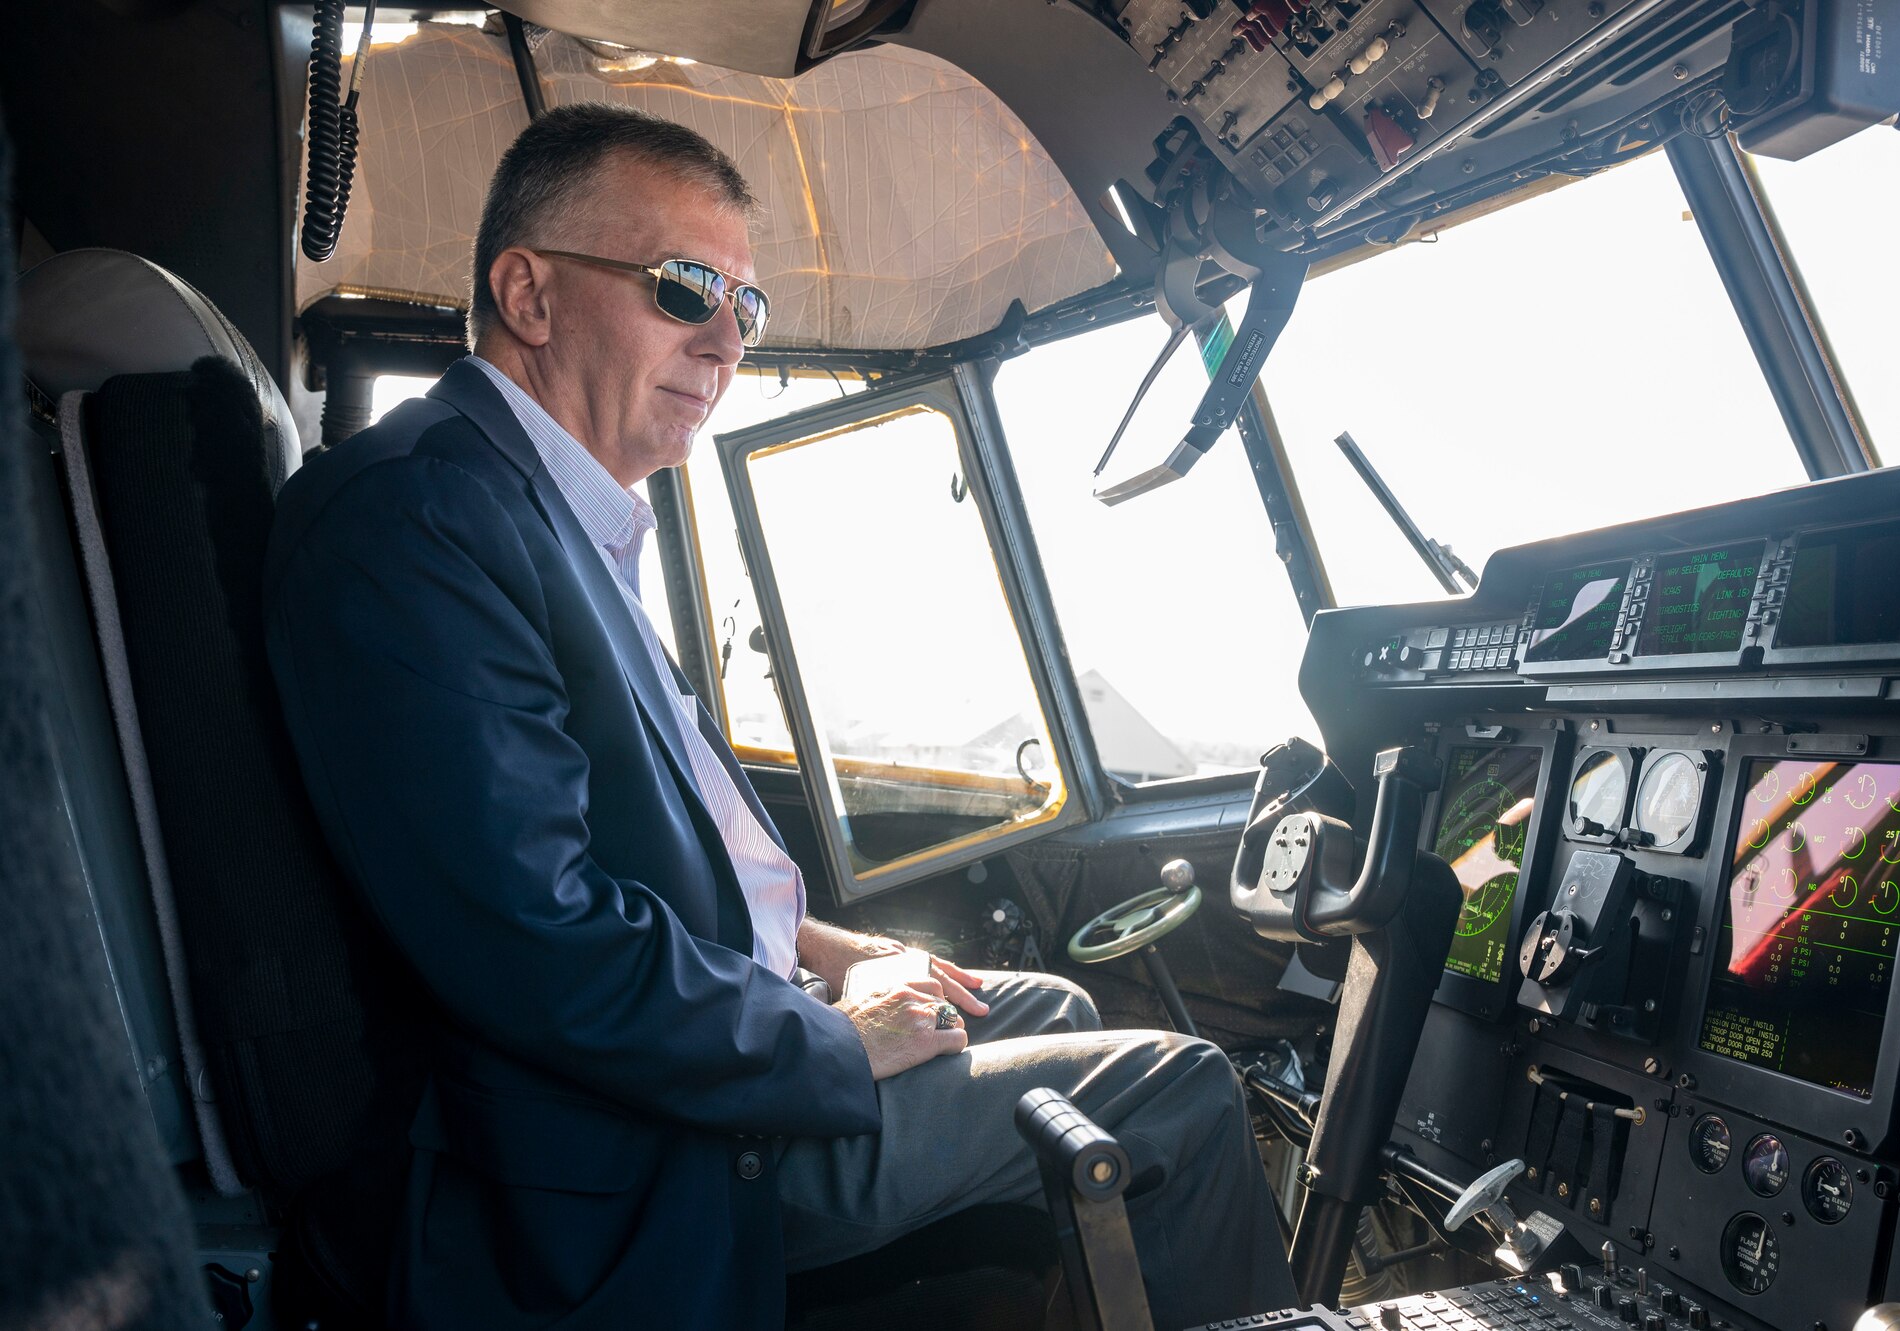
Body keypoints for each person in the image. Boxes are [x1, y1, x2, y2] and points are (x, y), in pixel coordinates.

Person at [264, 101, 1296, 1330]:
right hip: (627, 1152)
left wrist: (821, 950)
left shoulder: (550, 512)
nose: (724, 340)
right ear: (528, 296)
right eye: (683, 286)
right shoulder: (421, 516)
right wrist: (833, 1043)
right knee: (1175, 1093)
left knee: (1045, 1009)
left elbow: (623, 841)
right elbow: (534, 939)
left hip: (695, 1053)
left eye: (743, 307)